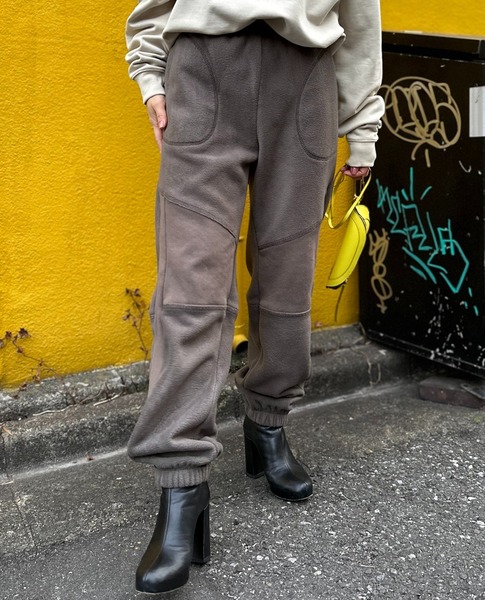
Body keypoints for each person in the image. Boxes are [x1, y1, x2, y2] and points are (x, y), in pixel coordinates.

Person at [125, 1, 384, 594]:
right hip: (203, 71)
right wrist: (149, 75)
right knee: (190, 290)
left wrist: (363, 127)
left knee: (286, 279)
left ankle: (268, 425)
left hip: (305, 80)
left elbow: (360, 16)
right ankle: (181, 488)